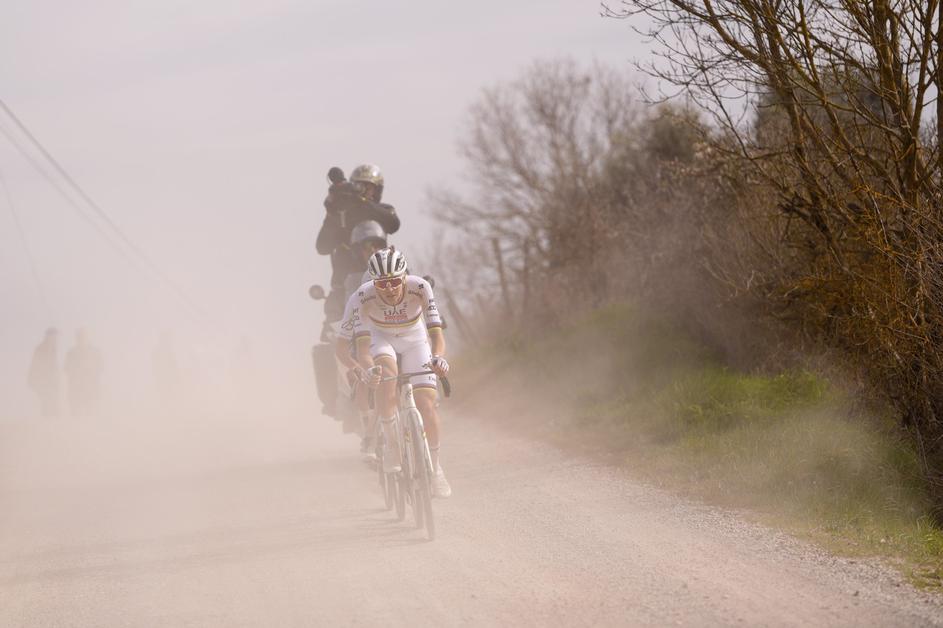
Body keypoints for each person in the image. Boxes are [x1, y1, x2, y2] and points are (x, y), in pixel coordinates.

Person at [336, 247, 453, 497]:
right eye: (382, 284)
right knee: (385, 374)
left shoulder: (420, 287)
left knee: (426, 403)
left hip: (415, 339)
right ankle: (392, 447)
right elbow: (358, 348)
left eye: (395, 282)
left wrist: (438, 358)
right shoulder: (361, 297)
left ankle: (436, 470)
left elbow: (436, 334)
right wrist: (366, 369)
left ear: (404, 277)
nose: (389, 289)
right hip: (381, 338)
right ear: (373, 283)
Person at [316, 164, 400, 321]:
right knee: (332, 321)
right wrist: (331, 213)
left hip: (383, 281)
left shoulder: (383, 209)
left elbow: (394, 224)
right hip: (344, 285)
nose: (364, 191)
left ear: (377, 190)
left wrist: (362, 202)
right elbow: (322, 247)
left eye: (368, 187)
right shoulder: (342, 215)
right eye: (359, 186)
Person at [64, 328, 103, 417]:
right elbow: (66, 369)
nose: (81, 339)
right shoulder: (71, 353)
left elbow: (101, 367)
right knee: (76, 416)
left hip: (91, 390)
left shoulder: (95, 352)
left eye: (83, 336)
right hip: (75, 390)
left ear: (88, 338)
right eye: (79, 336)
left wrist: (89, 370)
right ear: (76, 338)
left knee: (90, 416)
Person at [27, 327, 61, 417]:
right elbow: (36, 365)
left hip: (51, 382)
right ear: (48, 336)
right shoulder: (41, 349)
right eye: (54, 336)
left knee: (51, 404)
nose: (56, 339)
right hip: (45, 382)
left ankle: (50, 420)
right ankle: (48, 420)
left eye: (56, 337)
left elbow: (54, 366)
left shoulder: (53, 348)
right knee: (47, 403)